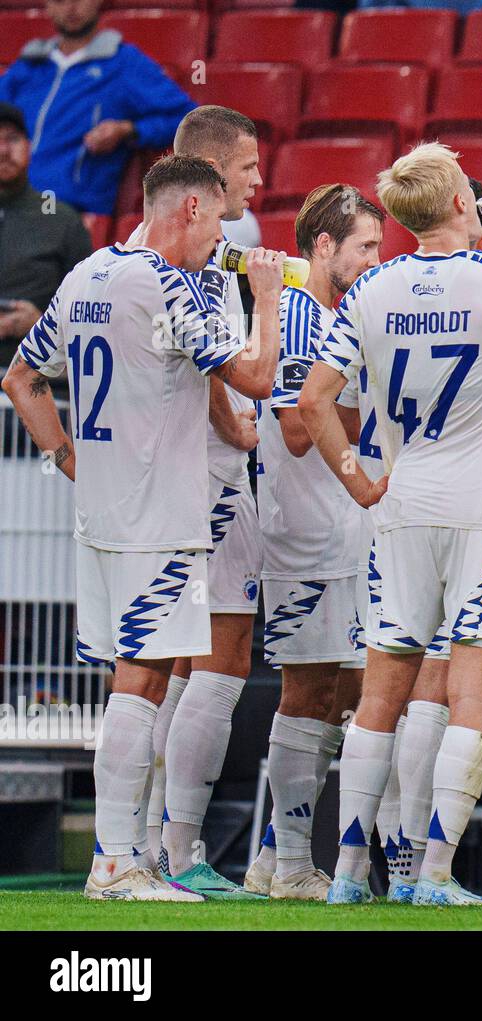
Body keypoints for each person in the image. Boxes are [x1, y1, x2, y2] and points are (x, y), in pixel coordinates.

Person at [296, 142, 482, 906]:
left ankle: (346, 873)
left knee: (379, 696)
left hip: (400, 508)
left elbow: (312, 400)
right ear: (465, 202)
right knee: (469, 696)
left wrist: (358, 480)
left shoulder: (371, 288)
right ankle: (431, 874)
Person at [1, 154, 283, 901]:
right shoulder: (168, 284)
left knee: (132, 682)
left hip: (102, 515)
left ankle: (123, 854)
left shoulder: (88, 272)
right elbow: (254, 378)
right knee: (142, 682)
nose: (221, 234)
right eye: (219, 218)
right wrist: (265, 299)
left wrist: (67, 457)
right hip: (158, 515)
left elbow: (20, 378)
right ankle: (114, 860)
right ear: (190, 208)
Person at [144, 106, 278, 900]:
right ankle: (179, 846)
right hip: (212, 481)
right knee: (220, 658)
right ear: (210, 170)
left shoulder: (157, 251)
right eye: (250, 166)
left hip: (168, 479)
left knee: (172, 663)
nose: (259, 179)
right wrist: (237, 423)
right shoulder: (201, 253)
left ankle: (151, 840)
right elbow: (220, 374)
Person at [243, 184, 385, 901]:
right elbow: (301, 430)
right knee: (309, 690)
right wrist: (389, 420)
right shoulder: (300, 314)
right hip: (308, 529)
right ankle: (293, 860)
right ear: (323, 247)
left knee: (342, 688)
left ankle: (276, 852)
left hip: (334, 528)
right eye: (364, 246)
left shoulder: (329, 313)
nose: (374, 260)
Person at [0, 0, 195, 215]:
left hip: (69, 208)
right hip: (10, 198)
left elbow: (187, 119)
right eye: (60, 0)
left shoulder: (124, 62)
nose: (71, 7)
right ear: (48, 5)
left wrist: (128, 129)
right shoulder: (29, 65)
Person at [0, 103, 91, 369]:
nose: (4, 151)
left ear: (29, 147)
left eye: (12, 139)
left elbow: (90, 313)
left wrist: (41, 324)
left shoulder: (61, 219)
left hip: (39, 377)